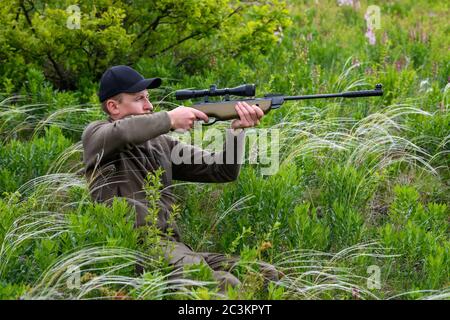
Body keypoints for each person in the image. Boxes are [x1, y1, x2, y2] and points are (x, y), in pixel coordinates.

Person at [82, 65, 279, 294]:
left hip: (175, 248)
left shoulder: (160, 143)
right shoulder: (96, 136)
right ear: (113, 106)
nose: (150, 106)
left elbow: (221, 170)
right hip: (136, 248)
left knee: (265, 273)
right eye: (139, 99)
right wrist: (170, 118)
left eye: (148, 98)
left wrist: (236, 131)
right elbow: (124, 132)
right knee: (224, 283)